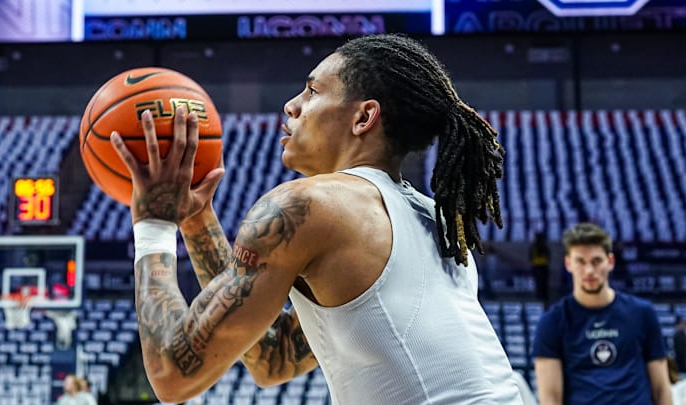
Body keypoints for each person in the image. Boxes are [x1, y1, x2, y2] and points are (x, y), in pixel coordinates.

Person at [110, 33, 523, 404]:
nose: (291, 105)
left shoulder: (309, 205)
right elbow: (274, 360)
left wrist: (153, 224)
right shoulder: (434, 217)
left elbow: (171, 376)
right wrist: (197, 220)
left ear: (363, 118)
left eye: (312, 91)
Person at [532, 222, 672, 405]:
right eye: (580, 261)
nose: (589, 270)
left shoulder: (642, 313)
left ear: (610, 261)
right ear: (568, 263)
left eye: (596, 261)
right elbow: (550, 398)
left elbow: (661, 388)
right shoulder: (552, 322)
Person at [529, 231, 550, 304]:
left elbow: (530, 257)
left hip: (537, 265)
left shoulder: (534, 246)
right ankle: (543, 295)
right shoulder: (544, 246)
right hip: (543, 265)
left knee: (538, 281)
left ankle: (539, 295)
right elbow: (548, 256)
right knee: (543, 281)